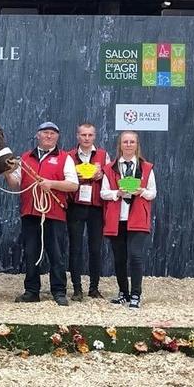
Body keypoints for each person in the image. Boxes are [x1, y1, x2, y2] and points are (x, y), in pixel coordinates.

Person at [4, 121, 78, 306]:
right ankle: (31, 291)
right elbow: (15, 184)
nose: (49, 136)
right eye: (45, 132)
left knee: (56, 254)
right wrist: (6, 173)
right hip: (30, 213)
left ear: (57, 137)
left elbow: (73, 184)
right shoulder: (26, 158)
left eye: (53, 133)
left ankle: (59, 291)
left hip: (54, 213)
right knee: (31, 253)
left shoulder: (64, 158)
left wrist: (51, 184)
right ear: (38, 135)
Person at [100, 131, 157, 309]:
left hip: (137, 218)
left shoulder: (146, 167)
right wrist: (117, 193)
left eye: (132, 142)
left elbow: (152, 192)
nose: (129, 144)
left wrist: (141, 191)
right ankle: (123, 292)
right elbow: (103, 193)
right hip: (117, 219)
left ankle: (136, 294)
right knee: (119, 258)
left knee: (135, 256)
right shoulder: (110, 168)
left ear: (137, 145)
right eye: (125, 142)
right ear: (120, 145)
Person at [66, 123, 111, 301]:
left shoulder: (103, 155)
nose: (86, 138)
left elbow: (111, 179)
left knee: (95, 249)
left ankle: (94, 288)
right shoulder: (69, 156)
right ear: (77, 136)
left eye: (90, 135)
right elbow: (63, 177)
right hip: (75, 205)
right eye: (83, 135)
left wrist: (102, 175)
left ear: (94, 136)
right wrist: (72, 177)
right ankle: (77, 288)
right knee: (75, 248)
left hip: (96, 207)